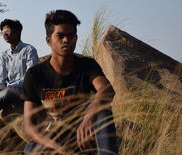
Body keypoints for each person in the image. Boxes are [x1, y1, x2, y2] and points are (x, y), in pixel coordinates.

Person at [22, 10, 118, 154]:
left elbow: (106, 90)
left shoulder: (87, 65)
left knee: (102, 110)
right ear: (48, 40)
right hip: (54, 142)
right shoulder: (35, 75)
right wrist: (55, 147)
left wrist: (88, 118)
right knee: (31, 149)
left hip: (83, 138)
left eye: (71, 35)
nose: (66, 40)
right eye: (60, 36)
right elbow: (29, 126)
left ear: (76, 37)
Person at [0, 19, 39, 150]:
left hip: (24, 90)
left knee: (6, 92)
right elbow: (1, 81)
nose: (4, 34)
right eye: (2, 32)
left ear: (17, 32)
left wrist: (8, 87)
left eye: (7, 31)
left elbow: (30, 78)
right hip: (8, 91)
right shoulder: (4, 55)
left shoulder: (29, 50)